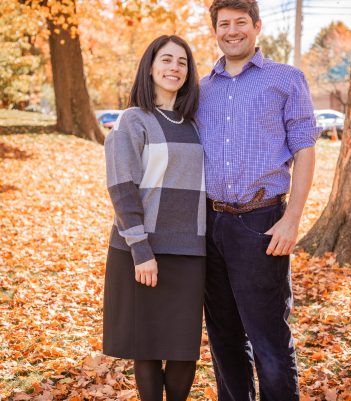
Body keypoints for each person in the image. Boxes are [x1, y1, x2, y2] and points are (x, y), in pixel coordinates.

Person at [196, 1, 321, 400]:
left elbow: (305, 149)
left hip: (261, 221)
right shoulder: (201, 88)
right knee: (223, 337)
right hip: (209, 223)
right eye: (224, 24)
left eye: (240, 23)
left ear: (257, 27)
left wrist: (292, 220)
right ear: (215, 29)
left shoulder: (286, 79)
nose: (232, 31)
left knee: (268, 337)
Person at [103, 35, 206, 401]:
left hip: (191, 249)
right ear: (150, 67)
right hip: (142, 249)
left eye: (182, 62)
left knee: (183, 347)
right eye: (166, 60)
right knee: (146, 344)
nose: (174, 68)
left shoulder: (195, 123)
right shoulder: (133, 120)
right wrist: (141, 249)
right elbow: (121, 187)